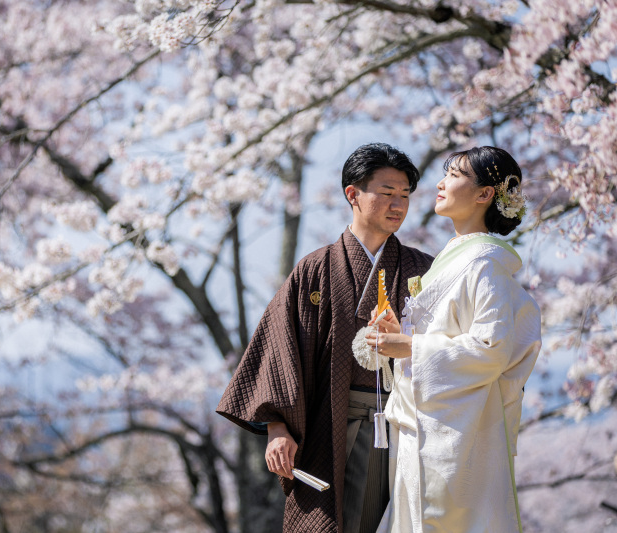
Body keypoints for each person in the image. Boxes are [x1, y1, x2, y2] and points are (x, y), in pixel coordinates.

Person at [216, 143, 434, 533]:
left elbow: (445, 347)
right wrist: (278, 429)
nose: (398, 204)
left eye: (405, 195)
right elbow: (281, 353)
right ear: (353, 194)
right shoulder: (315, 270)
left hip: (408, 422)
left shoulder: (423, 269)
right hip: (330, 422)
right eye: (387, 193)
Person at [368, 146, 542, 532]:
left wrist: (411, 346)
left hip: (456, 433)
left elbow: (490, 349)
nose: (441, 183)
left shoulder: (484, 264)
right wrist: (402, 335)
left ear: (485, 194)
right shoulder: (460, 257)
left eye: (455, 175)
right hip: (432, 421)